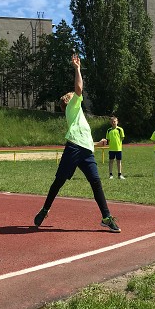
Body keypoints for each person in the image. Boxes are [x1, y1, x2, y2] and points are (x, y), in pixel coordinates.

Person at [34, 54, 121, 233]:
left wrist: (98, 143)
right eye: (73, 96)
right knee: (59, 181)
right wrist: (77, 69)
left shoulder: (79, 118)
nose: (76, 95)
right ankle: (45, 209)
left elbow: (85, 140)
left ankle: (106, 217)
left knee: (96, 182)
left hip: (86, 151)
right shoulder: (72, 107)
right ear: (68, 101)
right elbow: (79, 88)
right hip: (73, 147)